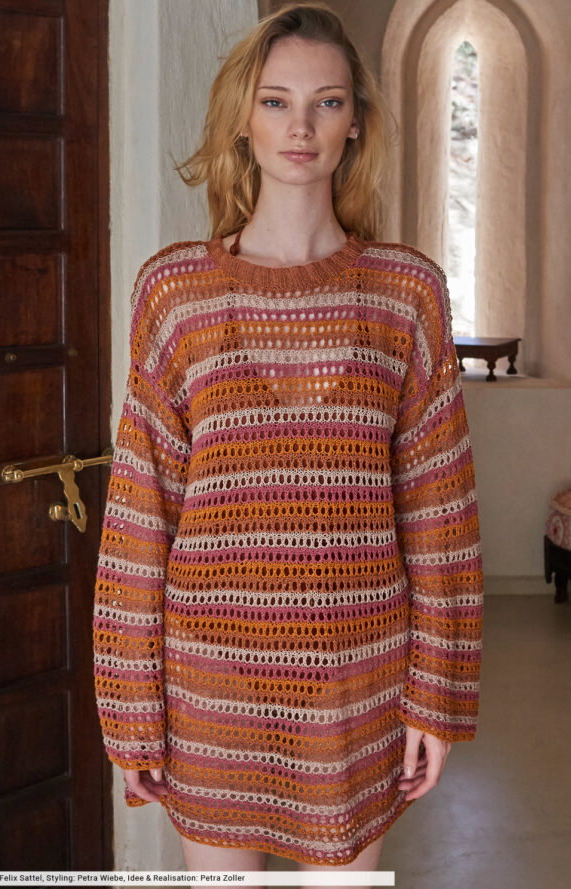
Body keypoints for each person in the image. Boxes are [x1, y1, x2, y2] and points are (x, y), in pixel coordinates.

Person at [92, 1, 483, 882]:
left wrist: (436, 694)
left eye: (326, 102)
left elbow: (441, 517)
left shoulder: (407, 294)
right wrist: (130, 705)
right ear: (244, 117)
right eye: (276, 102)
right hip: (209, 689)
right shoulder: (175, 293)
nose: (300, 127)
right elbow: (140, 516)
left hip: (359, 685)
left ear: (356, 122)